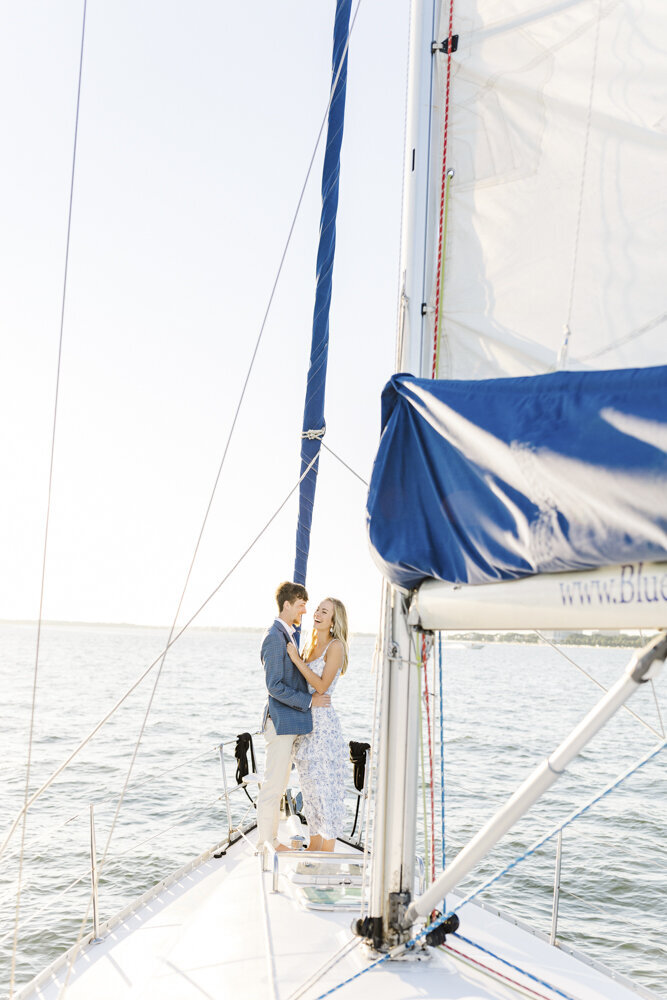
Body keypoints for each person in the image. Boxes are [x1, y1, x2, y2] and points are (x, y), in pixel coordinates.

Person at [256, 581, 331, 852]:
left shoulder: (287, 635)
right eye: (301, 605)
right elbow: (274, 686)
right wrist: (310, 700)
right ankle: (268, 843)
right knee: (273, 786)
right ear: (287, 604)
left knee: (280, 783)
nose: (304, 610)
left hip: (288, 723)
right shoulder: (274, 637)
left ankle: (270, 839)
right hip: (279, 722)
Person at [286, 597, 349, 852]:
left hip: (323, 727)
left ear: (333, 621)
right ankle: (314, 845)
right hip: (305, 724)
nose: (317, 614)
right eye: (317, 610)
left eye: (324, 611)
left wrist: (296, 660)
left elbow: (322, 686)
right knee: (309, 791)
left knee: (326, 791)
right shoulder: (309, 645)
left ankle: (329, 851)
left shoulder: (336, 646)